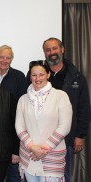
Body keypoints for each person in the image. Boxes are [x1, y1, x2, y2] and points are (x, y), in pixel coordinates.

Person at [42, 37, 91, 182]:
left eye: (55, 48)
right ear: (44, 53)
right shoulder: (37, 75)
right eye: (48, 49)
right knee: (40, 175)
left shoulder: (76, 77)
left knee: (62, 175)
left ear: (62, 50)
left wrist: (80, 135)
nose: (52, 52)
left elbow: (84, 108)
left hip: (66, 138)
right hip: (41, 137)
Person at [16, 60, 72, 181]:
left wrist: (43, 149)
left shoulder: (61, 96)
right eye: (34, 75)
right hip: (29, 156)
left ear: (48, 74)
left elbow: (65, 126)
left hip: (52, 158)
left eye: (41, 74)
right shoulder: (23, 99)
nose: (37, 78)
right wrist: (32, 147)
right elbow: (19, 127)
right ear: (30, 77)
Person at [0, 45, 28, 181]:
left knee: (14, 174)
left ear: (12, 60)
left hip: (12, 132)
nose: (4, 60)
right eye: (1, 57)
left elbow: (22, 104)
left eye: (8, 58)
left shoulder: (19, 76)